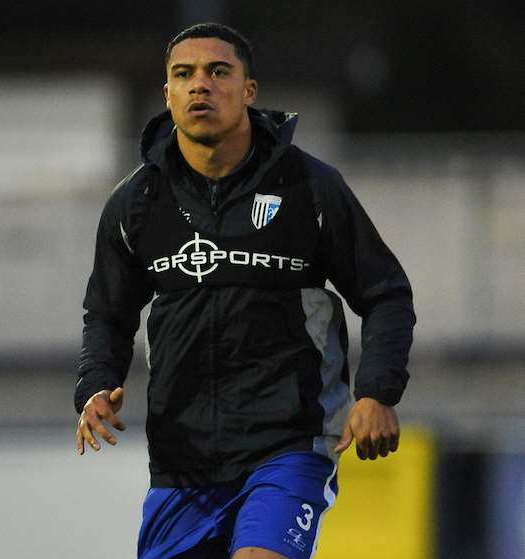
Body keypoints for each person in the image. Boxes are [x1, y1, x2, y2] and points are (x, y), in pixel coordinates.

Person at [74, 22, 415, 559]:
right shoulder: (136, 202)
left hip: (288, 445)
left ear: (249, 90)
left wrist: (376, 393)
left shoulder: (310, 189)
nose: (199, 86)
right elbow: (107, 314)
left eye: (217, 72)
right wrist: (95, 385)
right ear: (167, 93)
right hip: (182, 464)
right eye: (183, 75)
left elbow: (386, 294)